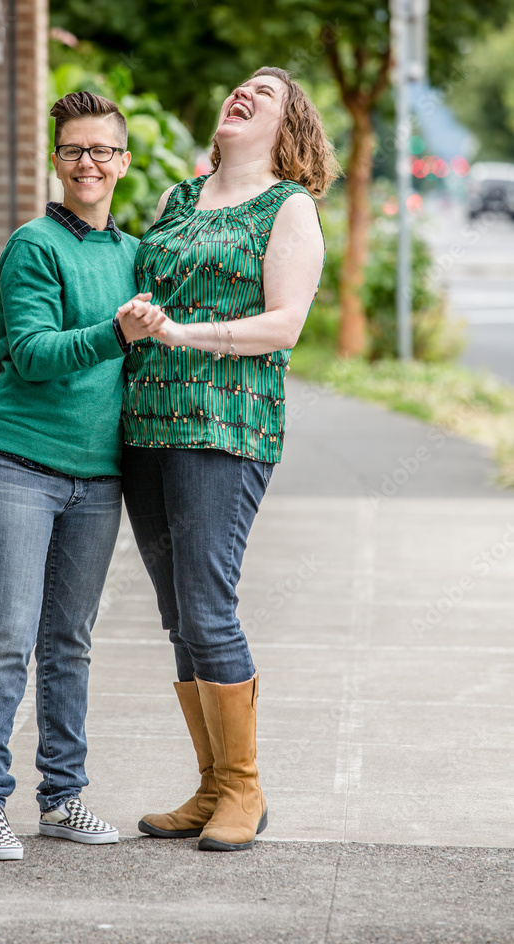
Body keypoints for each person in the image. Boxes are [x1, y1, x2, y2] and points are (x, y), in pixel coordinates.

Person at [119, 67, 337, 852]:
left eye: (265, 94)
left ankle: (244, 786)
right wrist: (144, 318)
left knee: (208, 605)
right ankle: (210, 785)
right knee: (178, 613)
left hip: (224, 427)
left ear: (288, 130)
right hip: (146, 424)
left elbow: (282, 327)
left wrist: (182, 334)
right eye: (238, 87)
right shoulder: (177, 199)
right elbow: (150, 292)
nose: (243, 94)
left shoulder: (289, 208)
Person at [0, 91, 165, 860]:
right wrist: (115, 331)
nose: (89, 164)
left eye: (102, 151)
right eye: (74, 150)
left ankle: (63, 796)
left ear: (123, 161)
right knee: (9, 634)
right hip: (14, 464)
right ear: (56, 159)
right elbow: (35, 354)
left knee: (70, 641)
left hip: (95, 479)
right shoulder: (33, 245)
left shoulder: (134, 254)